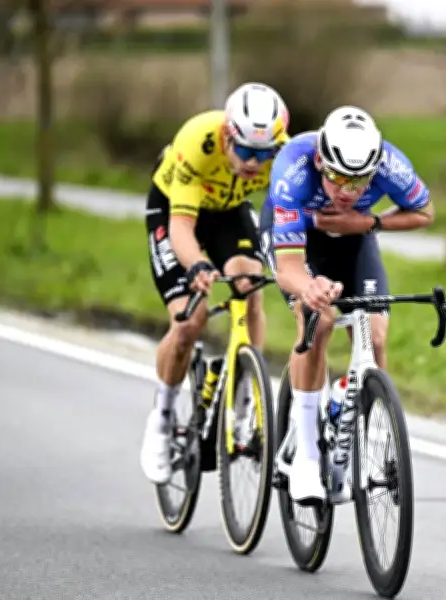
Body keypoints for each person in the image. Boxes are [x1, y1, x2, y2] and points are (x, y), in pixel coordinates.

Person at [259, 105, 435, 505]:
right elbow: (288, 269)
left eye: (359, 182)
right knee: (317, 320)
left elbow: (425, 211)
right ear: (321, 162)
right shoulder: (293, 168)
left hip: (353, 236)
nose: (347, 191)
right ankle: (306, 454)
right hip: (297, 239)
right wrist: (310, 287)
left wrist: (369, 222)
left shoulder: (390, 164)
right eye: (338, 178)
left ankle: (360, 422)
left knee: (376, 334)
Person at [140, 82, 290, 484]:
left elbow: (289, 216)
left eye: (264, 154)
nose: (254, 163)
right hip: (174, 209)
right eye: (245, 151)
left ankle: (246, 401)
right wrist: (197, 266)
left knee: (251, 286)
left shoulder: (283, 156)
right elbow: (181, 230)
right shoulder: (197, 142)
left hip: (228, 211)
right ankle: (162, 420)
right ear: (226, 136)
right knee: (190, 320)